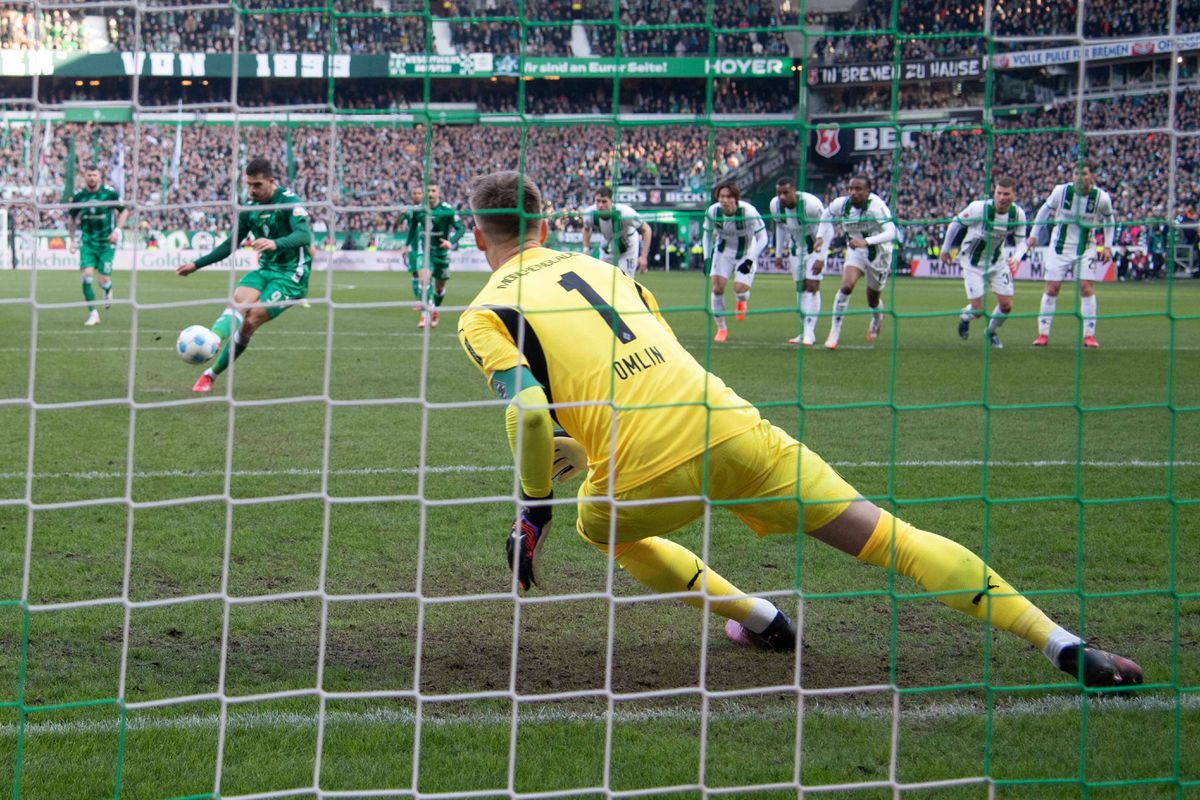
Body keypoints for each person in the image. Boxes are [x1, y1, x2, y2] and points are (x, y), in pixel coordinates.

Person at [457, 170, 1142, 689]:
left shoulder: (484, 310)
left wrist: (534, 508)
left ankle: (760, 618)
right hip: (732, 427)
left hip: (642, 472)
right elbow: (651, 360)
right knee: (891, 540)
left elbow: (526, 411)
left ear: (478, 235)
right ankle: (1061, 642)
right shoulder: (607, 268)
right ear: (544, 225)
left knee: (595, 524)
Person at [175, 158, 312, 393]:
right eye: (249, 185)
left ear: (271, 182)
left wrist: (275, 243)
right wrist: (197, 264)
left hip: (292, 276)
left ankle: (211, 374)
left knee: (251, 320)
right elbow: (231, 244)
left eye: (257, 185)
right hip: (266, 270)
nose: (252, 190)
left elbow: (304, 235)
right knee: (239, 300)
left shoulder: (289, 202)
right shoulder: (249, 208)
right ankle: (214, 340)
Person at [1027, 162, 1115, 349]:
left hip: (1086, 248)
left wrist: (1108, 246)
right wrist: (1034, 234)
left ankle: (1089, 336)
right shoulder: (1061, 191)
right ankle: (1043, 334)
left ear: (1092, 176)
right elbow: (1044, 210)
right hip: (1059, 247)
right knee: (1052, 288)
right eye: (1076, 173)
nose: (1079, 177)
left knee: (1086, 288)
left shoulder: (1101, 198)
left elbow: (1109, 219)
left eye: (1083, 173)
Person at [940, 176, 1029, 349]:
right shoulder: (978, 208)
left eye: (1007, 194)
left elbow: (1021, 242)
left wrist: (1017, 258)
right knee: (978, 310)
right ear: (994, 193)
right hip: (972, 263)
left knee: (1007, 306)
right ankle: (965, 317)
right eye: (999, 193)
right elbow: (955, 224)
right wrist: (945, 249)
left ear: (1014, 196)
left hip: (997, 262)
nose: (1002, 198)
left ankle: (990, 332)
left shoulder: (1018, 215)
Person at [815, 175, 897, 350]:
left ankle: (877, 318)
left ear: (868, 191)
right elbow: (826, 215)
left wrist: (867, 241)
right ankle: (834, 331)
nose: (853, 192)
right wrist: (820, 237)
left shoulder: (877, 207)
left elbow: (892, 232)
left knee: (872, 300)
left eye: (858, 189)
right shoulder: (842, 204)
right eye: (851, 188)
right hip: (856, 251)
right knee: (846, 286)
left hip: (879, 254)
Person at [702, 183, 767, 342]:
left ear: (736, 198)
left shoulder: (748, 212)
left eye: (729, 197)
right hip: (723, 252)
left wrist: (751, 259)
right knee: (717, 288)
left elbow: (763, 238)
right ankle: (721, 328)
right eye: (722, 196)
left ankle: (741, 300)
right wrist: (707, 258)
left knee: (740, 290)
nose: (725, 200)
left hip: (746, 252)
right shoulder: (713, 212)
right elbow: (707, 235)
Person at [769, 177, 827, 347]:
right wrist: (778, 254)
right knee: (800, 288)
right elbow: (779, 228)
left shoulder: (812, 205)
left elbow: (826, 229)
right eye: (779, 193)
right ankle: (805, 331)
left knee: (812, 286)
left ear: (794, 190)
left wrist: (821, 256)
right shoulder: (775, 206)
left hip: (814, 248)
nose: (781, 197)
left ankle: (809, 333)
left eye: (785, 192)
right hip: (795, 250)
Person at [68, 164, 127, 327]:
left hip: (107, 243)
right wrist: (72, 239)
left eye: (95, 175)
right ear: (84, 177)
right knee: (86, 275)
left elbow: (124, 211)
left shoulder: (109, 193)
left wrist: (117, 231)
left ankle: (108, 289)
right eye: (89, 175)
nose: (92, 178)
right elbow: (71, 219)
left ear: (100, 177)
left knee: (103, 279)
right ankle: (93, 313)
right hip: (87, 243)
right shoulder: (79, 197)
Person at [405, 184, 464, 329]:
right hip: (425, 251)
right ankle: (425, 316)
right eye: (428, 191)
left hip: (441, 254)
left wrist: (451, 241)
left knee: (439, 288)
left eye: (433, 191)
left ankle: (435, 310)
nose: (430, 194)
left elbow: (461, 228)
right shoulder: (419, 210)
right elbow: (412, 229)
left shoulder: (447, 211)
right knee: (424, 280)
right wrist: (406, 245)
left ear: (439, 192)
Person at [580, 186, 651, 279]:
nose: (600, 205)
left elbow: (646, 229)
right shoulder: (590, 213)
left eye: (604, 201)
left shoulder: (626, 213)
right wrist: (586, 249)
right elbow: (586, 229)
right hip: (608, 245)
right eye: (598, 201)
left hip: (628, 247)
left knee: (625, 282)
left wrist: (643, 257)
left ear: (611, 201)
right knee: (601, 280)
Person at [398, 185, 424, 310]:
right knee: (415, 274)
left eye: (419, 193)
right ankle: (419, 301)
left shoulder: (429, 209)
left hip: (428, 246)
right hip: (414, 248)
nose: (417, 195)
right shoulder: (409, 211)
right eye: (414, 193)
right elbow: (396, 225)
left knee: (427, 274)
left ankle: (427, 301)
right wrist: (400, 214)